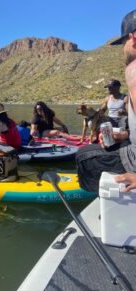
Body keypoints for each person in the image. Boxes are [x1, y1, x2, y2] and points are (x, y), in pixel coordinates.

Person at [76, 9, 136, 193]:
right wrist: (123, 136)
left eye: (123, 42)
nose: (123, 48)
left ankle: (112, 203)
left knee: (85, 156)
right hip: (120, 130)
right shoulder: (108, 98)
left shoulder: (134, 70)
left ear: (133, 38)